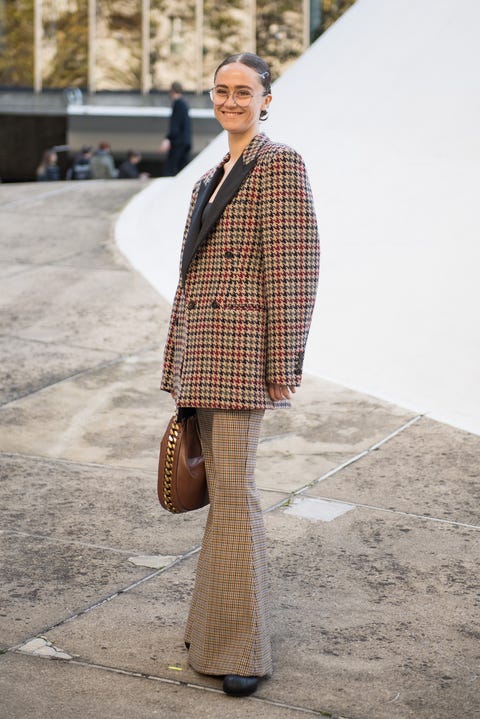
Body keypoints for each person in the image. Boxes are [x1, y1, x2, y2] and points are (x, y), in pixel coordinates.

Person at [160, 53, 320, 697]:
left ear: (266, 99)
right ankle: (211, 629)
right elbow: (191, 278)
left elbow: (295, 269)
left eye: (243, 91)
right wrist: (178, 359)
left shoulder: (279, 166)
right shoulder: (211, 174)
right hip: (205, 355)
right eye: (221, 91)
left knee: (234, 496)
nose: (230, 100)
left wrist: (282, 365)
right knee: (223, 494)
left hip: (241, 359)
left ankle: (242, 648)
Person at [159, 81, 191, 175]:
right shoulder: (184, 104)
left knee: (171, 171)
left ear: (172, 91)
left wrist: (168, 138)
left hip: (178, 143)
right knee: (182, 172)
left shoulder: (178, 104)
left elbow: (175, 125)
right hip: (184, 142)